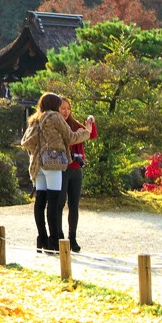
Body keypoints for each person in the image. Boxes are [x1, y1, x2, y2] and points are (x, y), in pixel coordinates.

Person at [20, 92, 89, 254]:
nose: (61, 109)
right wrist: (87, 131)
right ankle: (53, 242)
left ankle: (41, 239)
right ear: (53, 105)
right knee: (54, 201)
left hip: (38, 164)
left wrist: (41, 149)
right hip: (53, 163)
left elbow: (26, 142)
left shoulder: (36, 119)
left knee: (40, 201)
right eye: (59, 105)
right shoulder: (54, 117)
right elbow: (71, 137)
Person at [59, 99, 96, 253]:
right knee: (59, 204)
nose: (66, 111)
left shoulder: (74, 125)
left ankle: (72, 237)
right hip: (61, 168)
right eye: (62, 108)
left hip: (76, 169)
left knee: (74, 205)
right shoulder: (56, 126)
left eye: (68, 108)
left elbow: (91, 134)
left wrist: (90, 121)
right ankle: (59, 236)